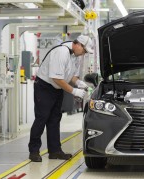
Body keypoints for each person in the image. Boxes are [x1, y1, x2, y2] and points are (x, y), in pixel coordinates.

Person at [28, 34, 93, 162]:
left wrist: (79, 83)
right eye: (84, 50)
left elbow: (70, 76)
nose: (84, 53)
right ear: (78, 44)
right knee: (42, 118)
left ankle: (55, 151)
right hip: (45, 88)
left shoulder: (74, 56)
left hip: (56, 89)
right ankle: (34, 151)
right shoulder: (61, 52)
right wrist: (74, 91)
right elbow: (56, 78)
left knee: (54, 119)